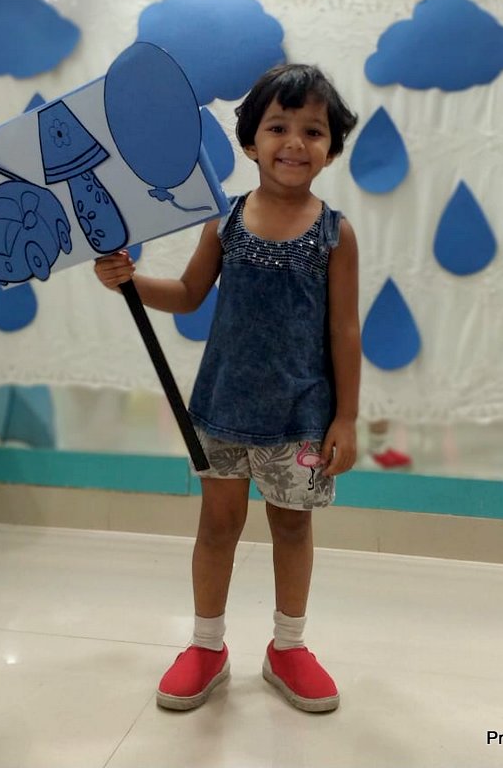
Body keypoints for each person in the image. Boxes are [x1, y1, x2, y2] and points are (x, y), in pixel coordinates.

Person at [95, 63, 360, 713]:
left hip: (301, 416)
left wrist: (346, 419)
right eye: (277, 127)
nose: (294, 142)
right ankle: (207, 646)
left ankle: (288, 647)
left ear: (331, 148)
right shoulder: (226, 222)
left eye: (313, 131)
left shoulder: (336, 234)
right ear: (249, 143)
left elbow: (345, 330)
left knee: (291, 528)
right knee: (217, 525)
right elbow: (189, 294)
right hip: (222, 407)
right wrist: (129, 282)